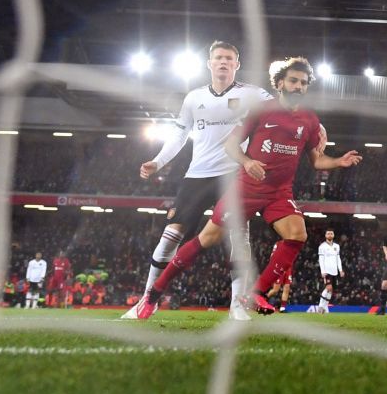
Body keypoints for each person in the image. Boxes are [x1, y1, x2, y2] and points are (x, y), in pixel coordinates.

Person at [131, 57, 360, 319]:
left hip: (279, 193)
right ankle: (154, 293)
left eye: (304, 83)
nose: (298, 86)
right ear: (281, 83)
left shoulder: (308, 119)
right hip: (246, 189)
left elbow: (317, 160)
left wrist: (338, 161)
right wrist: (247, 161)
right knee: (207, 239)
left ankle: (256, 293)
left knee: (297, 234)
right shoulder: (261, 110)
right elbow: (231, 145)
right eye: (294, 80)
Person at [124, 40, 272, 321]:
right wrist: (158, 161)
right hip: (197, 175)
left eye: (229, 58)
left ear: (237, 65)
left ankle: (237, 307)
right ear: (209, 63)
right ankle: (147, 300)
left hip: (234, 176)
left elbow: (283, 111)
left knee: (238, 237)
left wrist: (317, 125)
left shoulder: (252, 94)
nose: (223, 62)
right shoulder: (193, 98)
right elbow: (180, 134)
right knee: (171, 236)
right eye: (218, 58)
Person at [313, 227, 343, 313]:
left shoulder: (337, 246)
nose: (330, 235)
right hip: (327, 271)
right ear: (325, 235)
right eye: (328, 233)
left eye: (331, 233)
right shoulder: (322, 246)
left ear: (333, 235)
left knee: (331, 290)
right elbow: (321, 260)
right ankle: (320, 306)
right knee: (328, 287)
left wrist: (340, 270)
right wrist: (323, 271)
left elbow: (338, 259)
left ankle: (325, 307)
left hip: (335, 272)